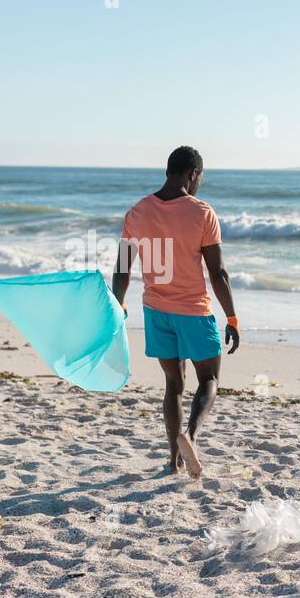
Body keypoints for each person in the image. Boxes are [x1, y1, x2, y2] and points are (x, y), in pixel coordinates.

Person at [113, 145, 240, 477]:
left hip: (156, 310)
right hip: (193, 312)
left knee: (173, 385)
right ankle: (191, 435)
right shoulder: (202, 213)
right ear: (192, 174)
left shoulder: (136, 212)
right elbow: (218, 273)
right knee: (209, 379)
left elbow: (122, 270)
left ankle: (173, 460)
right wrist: (232, 317)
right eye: (200, 178)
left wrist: (119, 305)